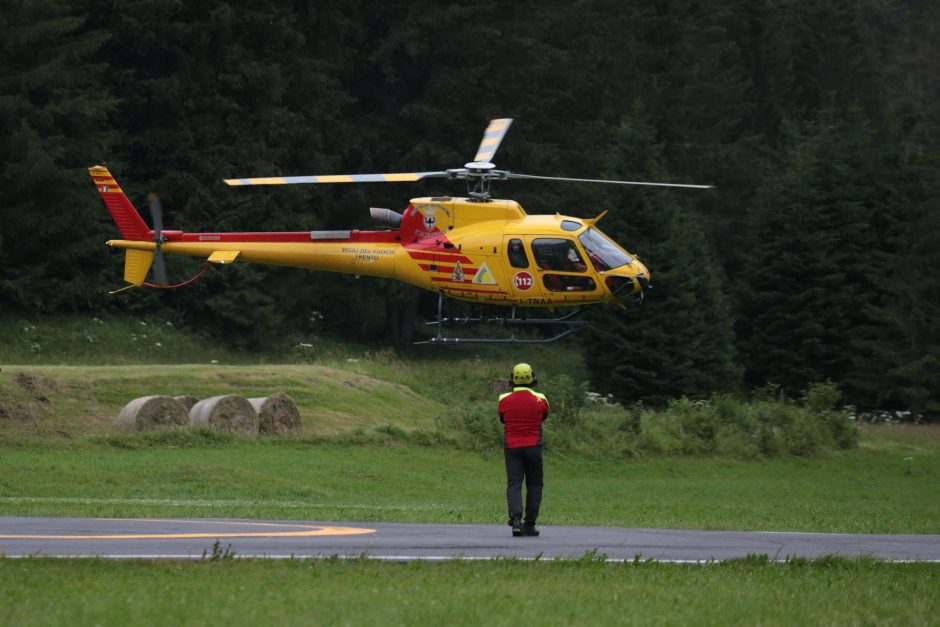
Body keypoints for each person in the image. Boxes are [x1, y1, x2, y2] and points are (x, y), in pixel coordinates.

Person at [498, 362, 550, 537]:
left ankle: (515, 519)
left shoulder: (503, 399)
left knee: (514, 483)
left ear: (512, 379)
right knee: (535, 484)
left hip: (512, 446)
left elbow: (503, 419)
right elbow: (544, 416)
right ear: (532, 378)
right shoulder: (540, 399)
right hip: (534, 446)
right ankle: (530, 523)